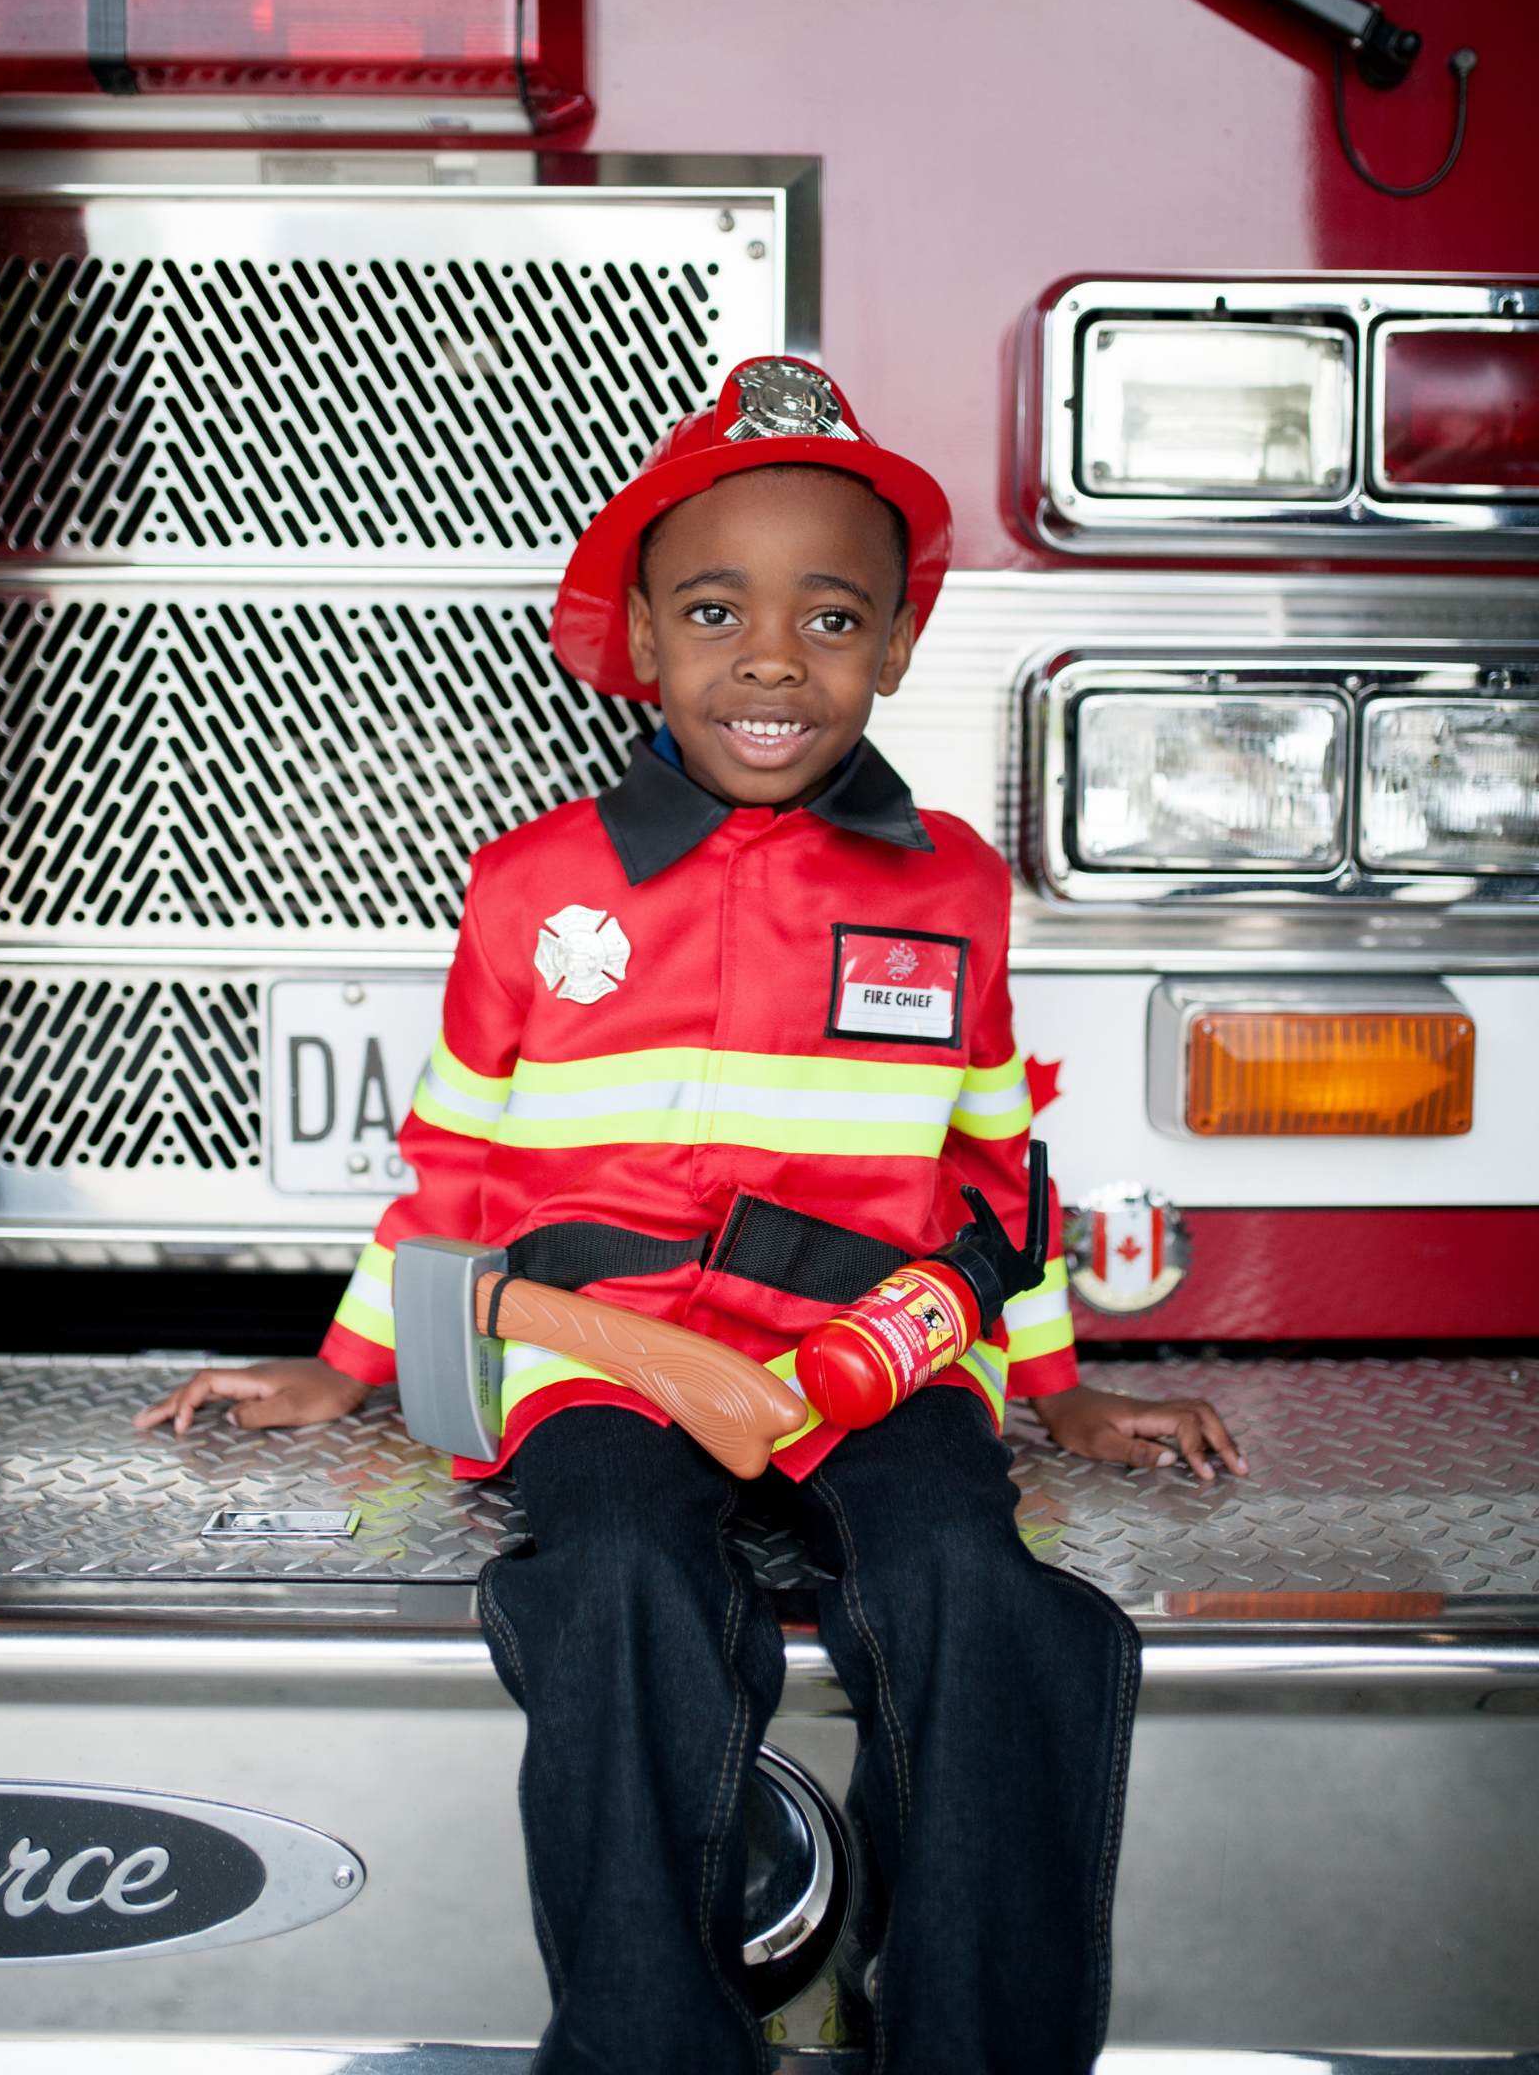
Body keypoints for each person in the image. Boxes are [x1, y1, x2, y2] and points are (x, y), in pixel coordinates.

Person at [139, 356, 1245, 2075]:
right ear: (643, 643)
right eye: (717, 609)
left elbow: (992, 1170)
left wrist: (1052, 1391)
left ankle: (967, 2037)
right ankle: (651, 2042)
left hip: (870, 1362)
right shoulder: (533, 883)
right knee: (622, 1584)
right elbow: (454, 1157)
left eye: (831, 617)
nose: (773, 659)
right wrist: (348, 1367)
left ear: (889, 649)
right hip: (612, 1368)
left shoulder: (950, 880)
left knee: (977, 1584)